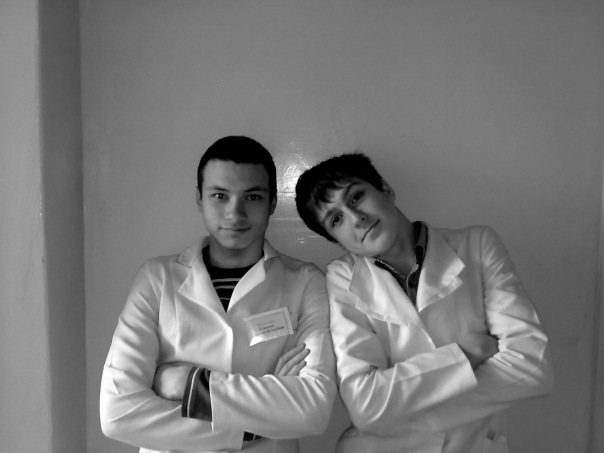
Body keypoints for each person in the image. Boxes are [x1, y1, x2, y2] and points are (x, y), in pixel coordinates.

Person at [295, 152, 554, 453]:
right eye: (336, 219)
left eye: (356, 197)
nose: (356, 218)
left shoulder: (478, 246)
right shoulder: (341, 277)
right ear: (336, 240)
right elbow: (365, 406)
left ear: (385, 189)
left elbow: (533, 368)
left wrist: (401, 409)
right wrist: (466, 354)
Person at [100, 136, 337, 453]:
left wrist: (188, 383)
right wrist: (254, 422)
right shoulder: (156, 279)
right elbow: (118, 414)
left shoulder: (306, 281)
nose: (235, 213)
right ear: (200, 199)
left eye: (252, 197)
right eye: (220, 196)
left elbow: (313, 409)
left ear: (272, 203)